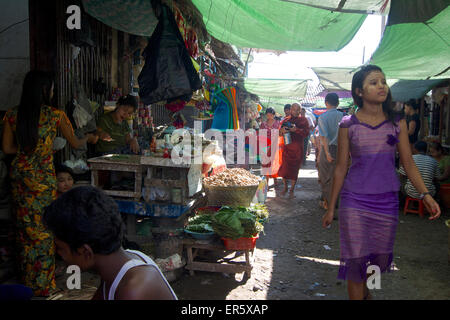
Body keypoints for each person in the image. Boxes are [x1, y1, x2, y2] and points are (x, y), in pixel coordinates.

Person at [321, 65, 440, 300]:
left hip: (386, 202)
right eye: (374, 82)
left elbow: (408, 163)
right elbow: (341, 168)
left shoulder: (397, 123)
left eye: (383, 81)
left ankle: (369, 295)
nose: (381, 86)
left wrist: (425, 194)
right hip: (354, 201)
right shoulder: (348, 124)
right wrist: (331, 206)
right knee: (355, 262)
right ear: (359, 92)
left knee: (376, 262)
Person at [2, 70, 97, 296]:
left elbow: (7, 149)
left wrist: (28, 150)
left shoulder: (12, 115)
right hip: (42, 181)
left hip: (20, 178)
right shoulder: (55, 116)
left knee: (25, 230)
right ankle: (44, 286)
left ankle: (27, 282)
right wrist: (91, 138)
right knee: (44, 230)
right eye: (52, 88)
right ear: (45, 90)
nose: (53, 92)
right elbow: (74, 143)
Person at [43, 186, 177, 300]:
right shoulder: (118, 264)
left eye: (60, 248)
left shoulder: (133, 290)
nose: (59, 255)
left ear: (85, 252)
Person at [277, 103, 310, 198]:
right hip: (287, 147)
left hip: (297, 149)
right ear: (290, 110)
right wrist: (281, 131)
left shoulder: (303, 120)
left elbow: (306, 133)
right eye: (294, 109)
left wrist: (296, 130)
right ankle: (285, 187)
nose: (295, 111)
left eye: (297, 110)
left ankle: (292, 189)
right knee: (285, 169)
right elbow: (279, 133)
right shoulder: (286, 120)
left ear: (300, 110)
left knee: (295, 169)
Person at [317, 93, 344, 210]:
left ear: (326, 103)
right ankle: (335, 202)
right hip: (341, 150)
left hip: (328, 149)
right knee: (336, 177)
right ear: (337, 103)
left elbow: (324, 137)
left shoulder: (323, 117)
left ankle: (329, 204)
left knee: (325, 177)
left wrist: (327, 153)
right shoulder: (344, 116)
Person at [260, 108, 281, 187]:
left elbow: (280, 135)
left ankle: (275, 180)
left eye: (271, 115)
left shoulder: (278, 124)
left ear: (274, 115)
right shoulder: (263, 124)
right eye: (268, 115)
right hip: (265, 147)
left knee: (274, 164)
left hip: (275, 146)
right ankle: (266, 184)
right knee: (266, 164)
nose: (269, 116)